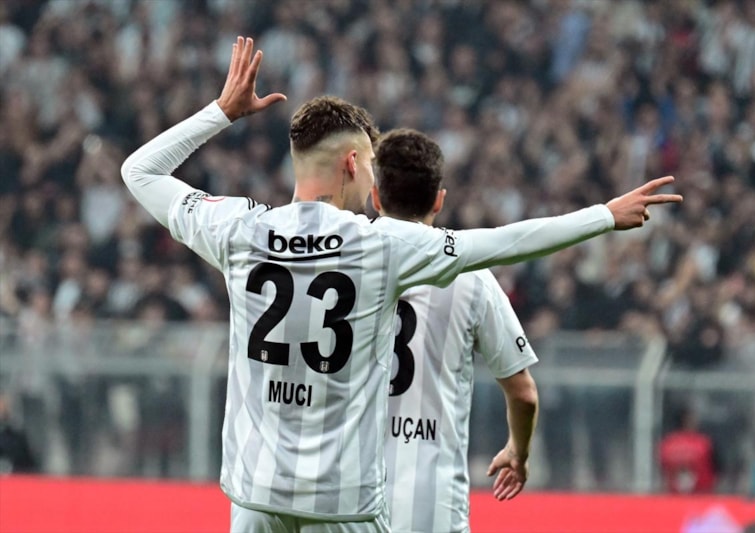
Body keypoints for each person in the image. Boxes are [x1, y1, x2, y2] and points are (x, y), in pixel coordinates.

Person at [120, 36, 681, 531]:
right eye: (369, 164)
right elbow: (504, 241)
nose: (372, 179)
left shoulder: (238, 230)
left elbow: (139, 171)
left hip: (254, 494)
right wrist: (603, 216)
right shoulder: (380, 246)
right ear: (351, 163)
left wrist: (220, 112)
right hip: (341, 502)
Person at [373, 128, 538, 533]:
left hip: (345, 496)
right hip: (433, 506)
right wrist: (518, 452)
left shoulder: (341, 262)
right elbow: (523, 393)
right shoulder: (472, 277)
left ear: (375, 197)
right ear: (439, 200)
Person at [658, 404, 718, 494]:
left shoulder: (667, 443)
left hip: (673, 495)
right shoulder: (703, 443)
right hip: (702, 494)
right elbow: (716, 466)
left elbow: (662, 468)